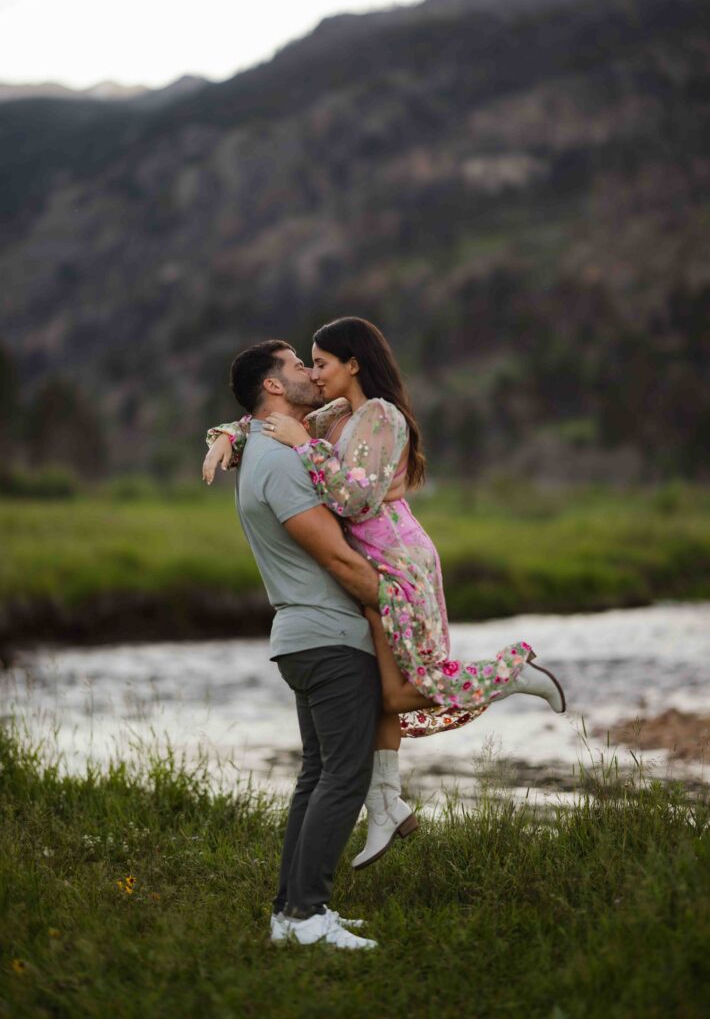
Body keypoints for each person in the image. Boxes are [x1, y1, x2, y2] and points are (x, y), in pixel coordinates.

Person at [205, 317, 566, 872]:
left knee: (407, 687)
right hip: (371, 568)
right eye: (306, 363)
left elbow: (353, 501)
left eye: (320, 362)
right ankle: (387, 805)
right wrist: (225, 436)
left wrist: (305, 446)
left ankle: (509, 673)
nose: (314, 373)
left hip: (395, 566)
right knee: (387, 696)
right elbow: (265, 418)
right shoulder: (335, 415)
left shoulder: (379, 416)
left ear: (352, 364)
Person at [203, 339, 383, 949]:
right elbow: (336, 556)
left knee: (318, 775)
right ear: (274, 386)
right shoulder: (280, 462)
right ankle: (309, 916)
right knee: (345, 777)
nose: (310, 372)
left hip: (306, 637)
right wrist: (400, 600)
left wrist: (227, 433)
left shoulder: (260, 443)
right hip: (329, 637)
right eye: (297, 366)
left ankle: (289, 913)